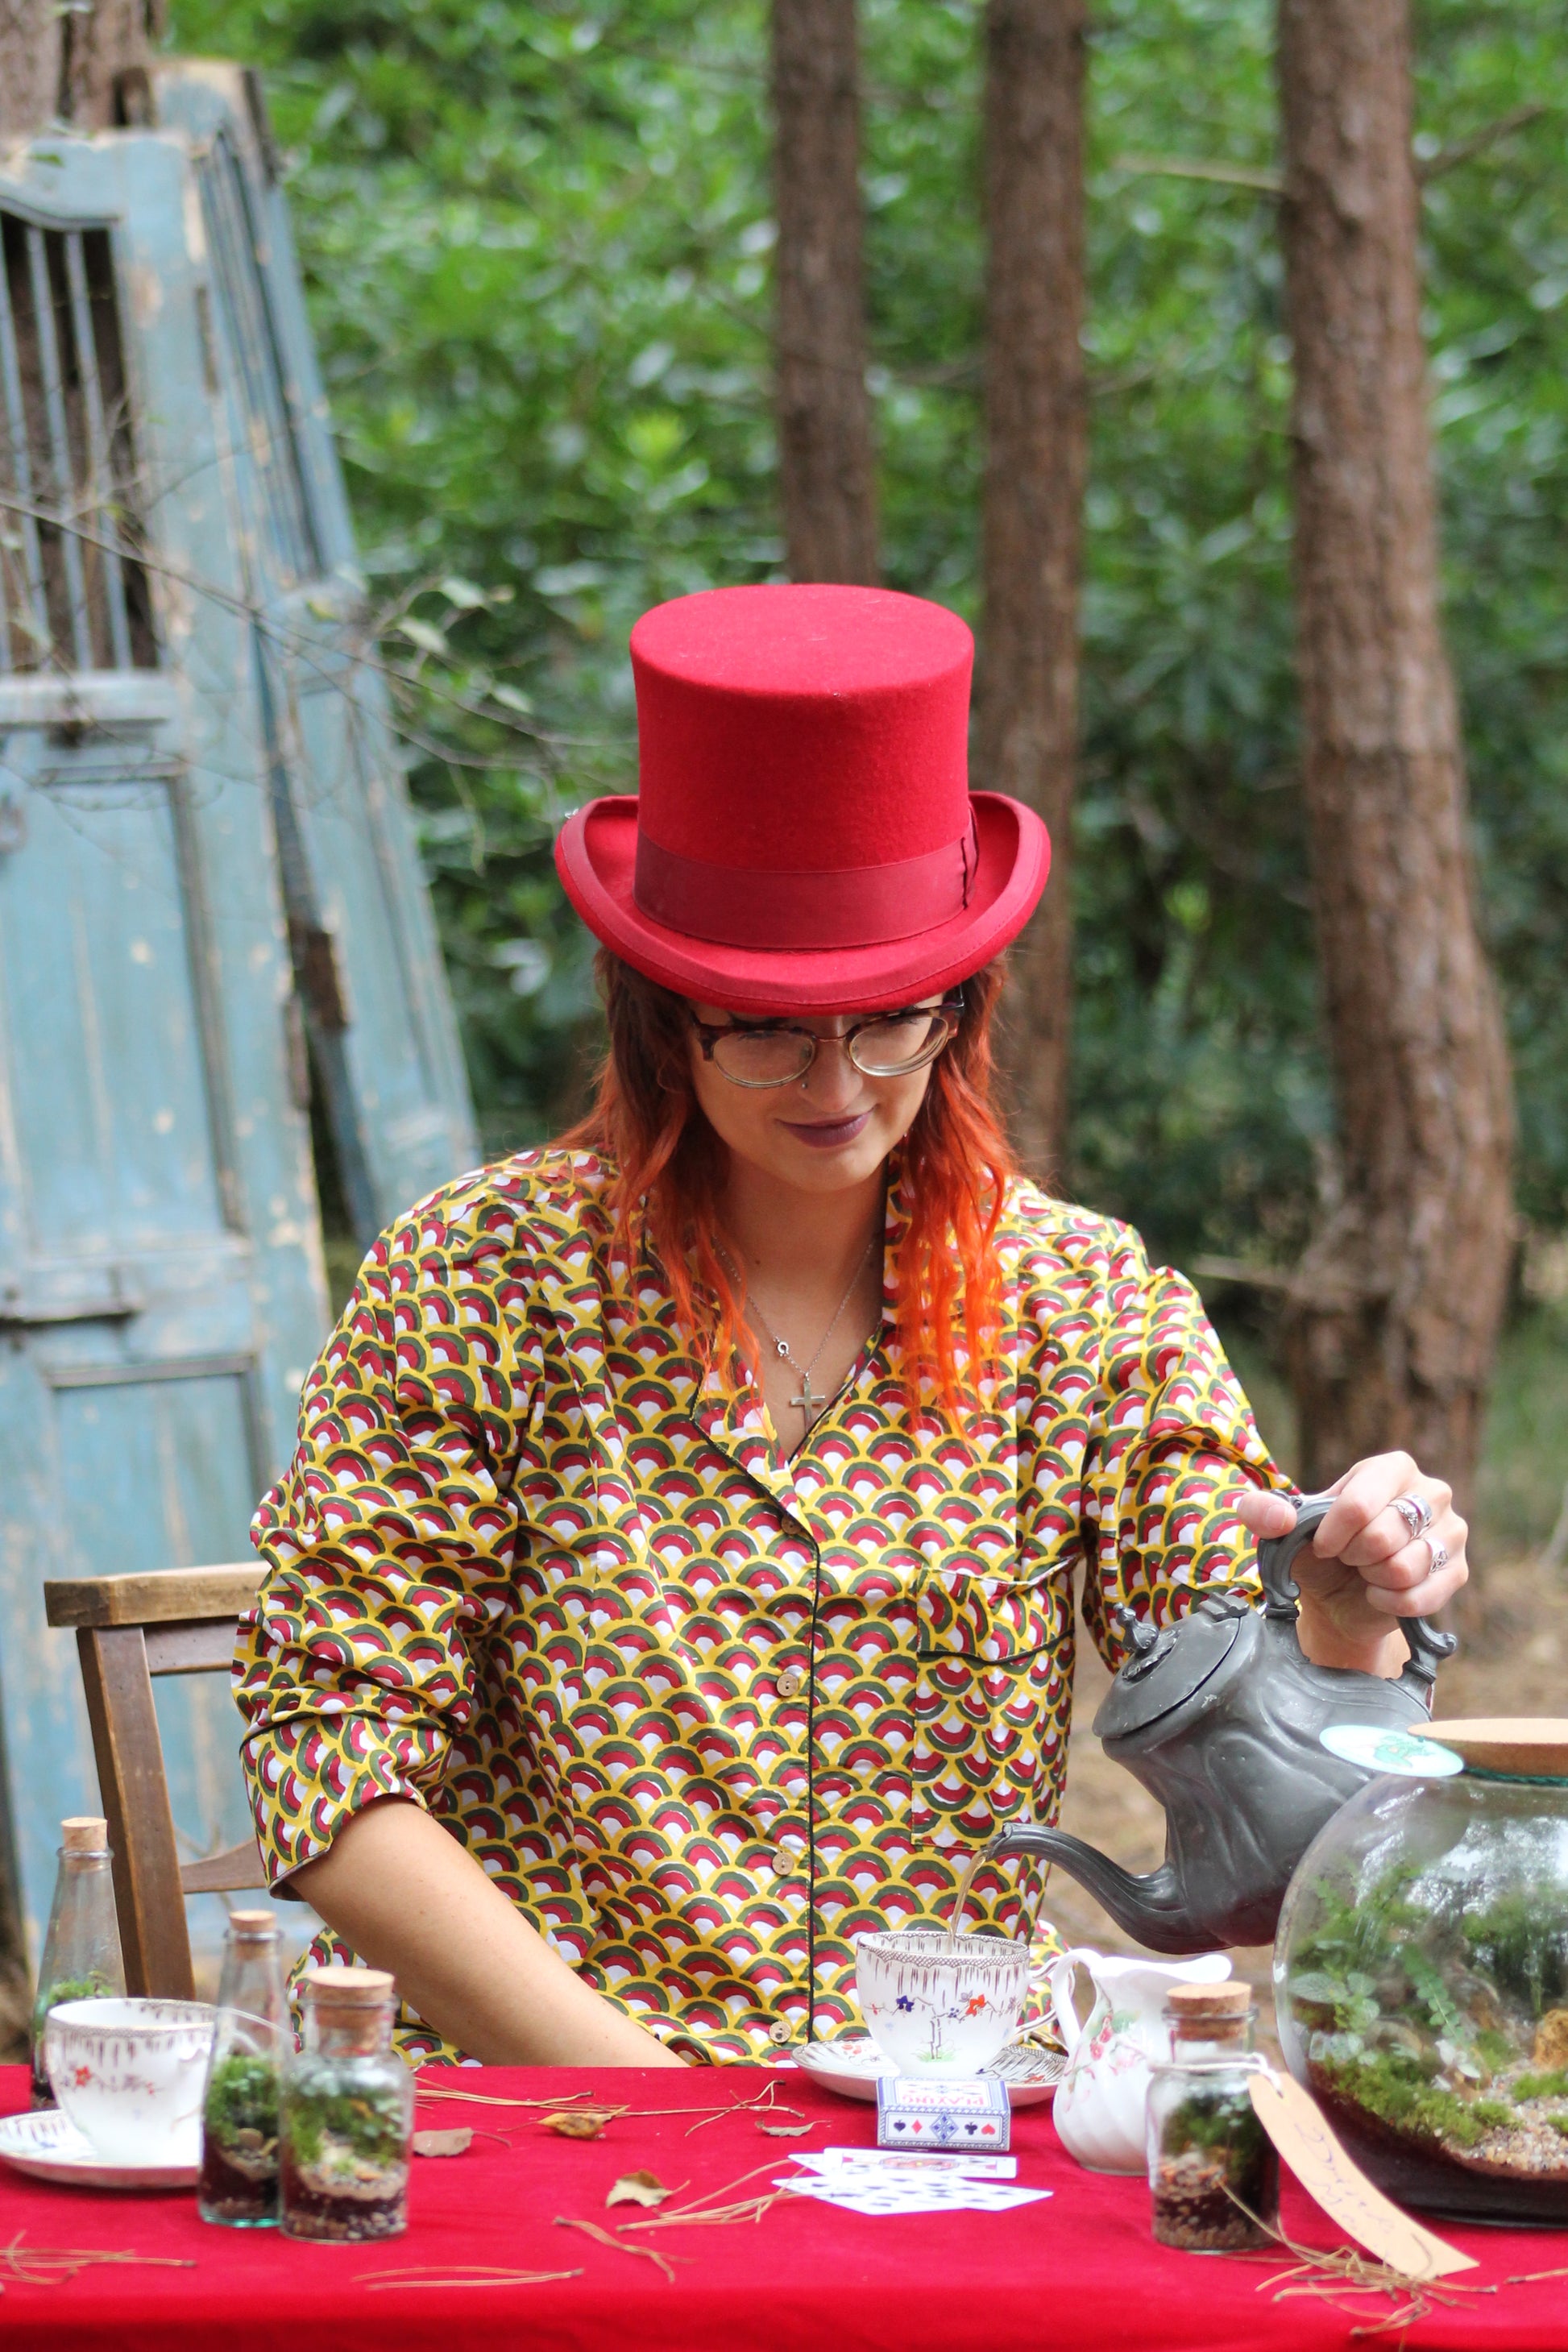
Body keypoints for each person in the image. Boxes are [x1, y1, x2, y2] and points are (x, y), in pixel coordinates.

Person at [234, 584, 1467, 2068]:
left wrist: (1342, 1617)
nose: (836, 1079)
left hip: (948, 2122)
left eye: (891, 1012)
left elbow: (1248, 1725)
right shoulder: (481, 1280)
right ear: (657, 1012)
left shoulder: (1083, 1304)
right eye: (759, 1021)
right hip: (555, 2115)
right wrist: (643, 2100)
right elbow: (330, 1758)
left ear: (961, 1002)